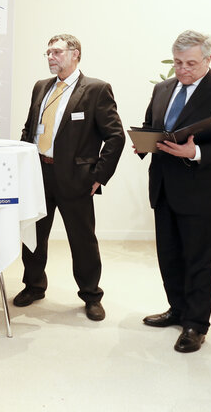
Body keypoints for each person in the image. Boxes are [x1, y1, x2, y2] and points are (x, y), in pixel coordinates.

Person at [139, 30, 211, 353]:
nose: (182, 69)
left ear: (208, 60)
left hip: (202, 189)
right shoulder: (162, 89)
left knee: (199, 260)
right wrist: (144, 144)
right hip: (163, 186)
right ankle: (178, 310)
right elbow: (152, 124)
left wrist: (196, 153)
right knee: (169, 256)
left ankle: (196, 325)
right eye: (177, 62)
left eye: (190, 63)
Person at [15, 34, 124, 321]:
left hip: (77, 178)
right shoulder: (41, 87)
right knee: (34, 234)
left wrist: (100, 174)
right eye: (48, 53)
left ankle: (91, 295)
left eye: (57, 52)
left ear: (75, 54)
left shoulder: (96, 89)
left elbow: (115, 136)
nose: (51, 57)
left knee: (82, 239)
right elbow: (30, 129)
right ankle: (34, 285)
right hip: (39, 173)